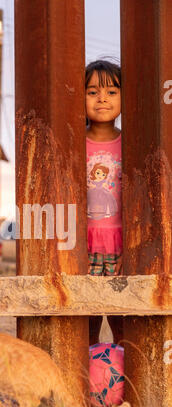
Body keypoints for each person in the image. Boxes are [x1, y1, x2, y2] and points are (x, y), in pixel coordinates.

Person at [85, 59, 123, 346]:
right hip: (84, 245)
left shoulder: (131, 142)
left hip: (121, 243)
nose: (102, 99)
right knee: (87, 317)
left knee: (125, 317)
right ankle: (86, 383)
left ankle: (128, 383)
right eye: (92, 92)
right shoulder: (74, 142)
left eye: (111, 92)